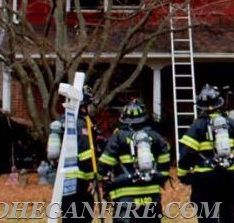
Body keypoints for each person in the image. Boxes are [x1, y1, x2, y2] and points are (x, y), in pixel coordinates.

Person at [178, 84, 234, 223]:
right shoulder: (231, 123)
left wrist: (182, 174)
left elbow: (186, 154)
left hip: (205, 180)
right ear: (219, 104)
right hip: (228, 177)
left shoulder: (197, 126)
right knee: (228, 214)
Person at [98, 99, 170, 223]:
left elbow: (105, 163)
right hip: (151, 198)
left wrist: (100, 178)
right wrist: (159, 175)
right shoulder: (155, 136)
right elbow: (165, 159)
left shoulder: (118, 137)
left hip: (125, 199)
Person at [48, 85, 98, 223]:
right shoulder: (81, 124)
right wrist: (92, 177)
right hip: (80, 180)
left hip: (64, 180)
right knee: (83, 216)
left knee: (69, 215)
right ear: (84, 105)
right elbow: (86, 153)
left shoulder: (64, 121)